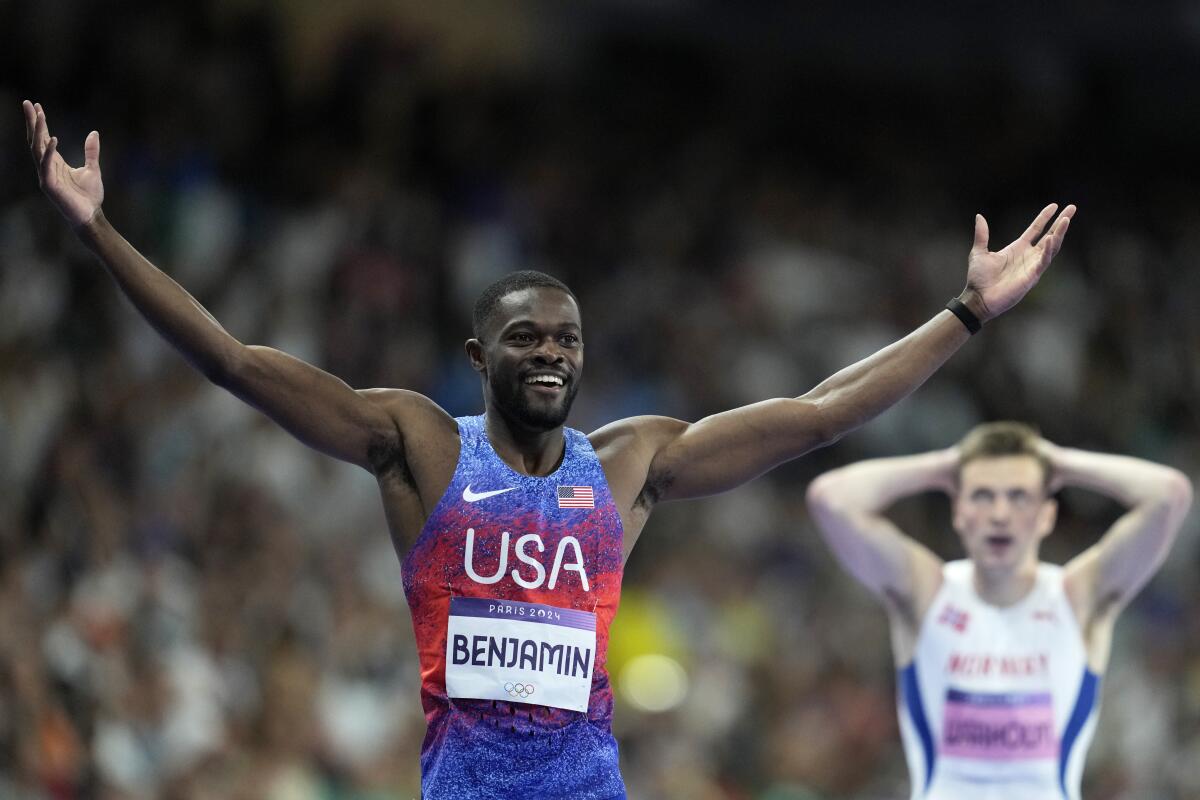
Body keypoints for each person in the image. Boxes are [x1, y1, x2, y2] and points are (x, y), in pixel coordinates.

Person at [23, 99, 1074, 800]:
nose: (550, 355)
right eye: (526, 336)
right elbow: (235, 363)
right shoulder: (420, 445)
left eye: (567, 339)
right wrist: (99, 232)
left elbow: (818, 413)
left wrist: (965, 316)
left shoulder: (629, 464)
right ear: (478, 353)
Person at [806, 422, 1193, 800]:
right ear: (957, 511)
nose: (1000, 514)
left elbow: (1170, 495)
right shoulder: (926, 593)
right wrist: (945, 465)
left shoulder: (1078, 597)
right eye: (982, 495)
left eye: (1019, 495)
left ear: (1046, 515)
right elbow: (830, 498)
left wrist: (1058, 463)